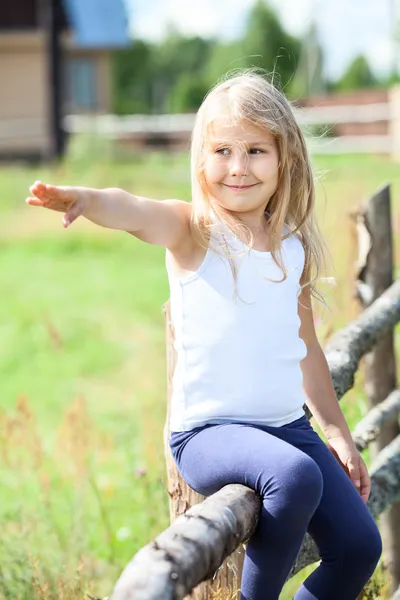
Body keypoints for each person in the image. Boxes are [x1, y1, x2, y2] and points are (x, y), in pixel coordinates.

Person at [26, 70, 382, 600]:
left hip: (286, 426)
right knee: (296, 477)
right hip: (209, 433)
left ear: (285, 157)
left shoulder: (290, 248)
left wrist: (337, 433)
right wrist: (88, 198)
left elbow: (304, 349)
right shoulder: (193, 231)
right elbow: (135, 210)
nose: (237, 167)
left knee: (359, 548)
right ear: (201, 159)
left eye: (256, 150)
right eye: (222, 150)